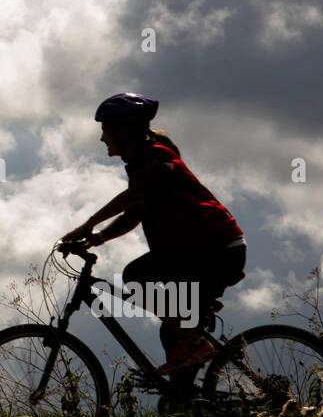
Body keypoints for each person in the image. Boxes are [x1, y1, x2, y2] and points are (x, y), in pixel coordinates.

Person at [60, 93, 246, 387]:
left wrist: (87, 224)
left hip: (214, 249)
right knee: (170, 332)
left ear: (124, 130)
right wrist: (97, 238)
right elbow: (137, 211)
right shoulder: (143, 163)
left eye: (104, 130)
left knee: (136, 276)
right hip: (206, 251)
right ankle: (183, 403)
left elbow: (135, 195)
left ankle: (192, 340)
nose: (101, 139)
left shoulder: (156, 157)